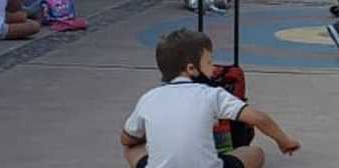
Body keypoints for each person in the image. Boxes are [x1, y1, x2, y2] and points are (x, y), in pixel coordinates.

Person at [121, 29, 300, 168]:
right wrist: (284, 141)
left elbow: (126, 139)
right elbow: (259, 118)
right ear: (191, 68)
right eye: (209, 62)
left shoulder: (149, 98)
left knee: (132, 149)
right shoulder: (212, 94)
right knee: (255, 153)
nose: (213, 68)